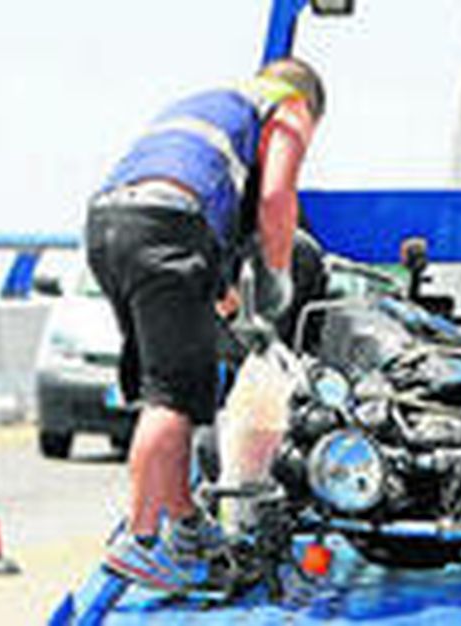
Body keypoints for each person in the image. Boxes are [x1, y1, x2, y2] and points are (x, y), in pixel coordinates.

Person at [84, 58, 325, 591]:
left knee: (174, 382)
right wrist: (279, 273)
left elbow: (202, 193)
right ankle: (141, 541)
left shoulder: (213, 104)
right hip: (168, 230)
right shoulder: (289, 106)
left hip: (110, 226)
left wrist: (222, 289)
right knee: (173, 397)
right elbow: (275, 197)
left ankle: (187, 523)